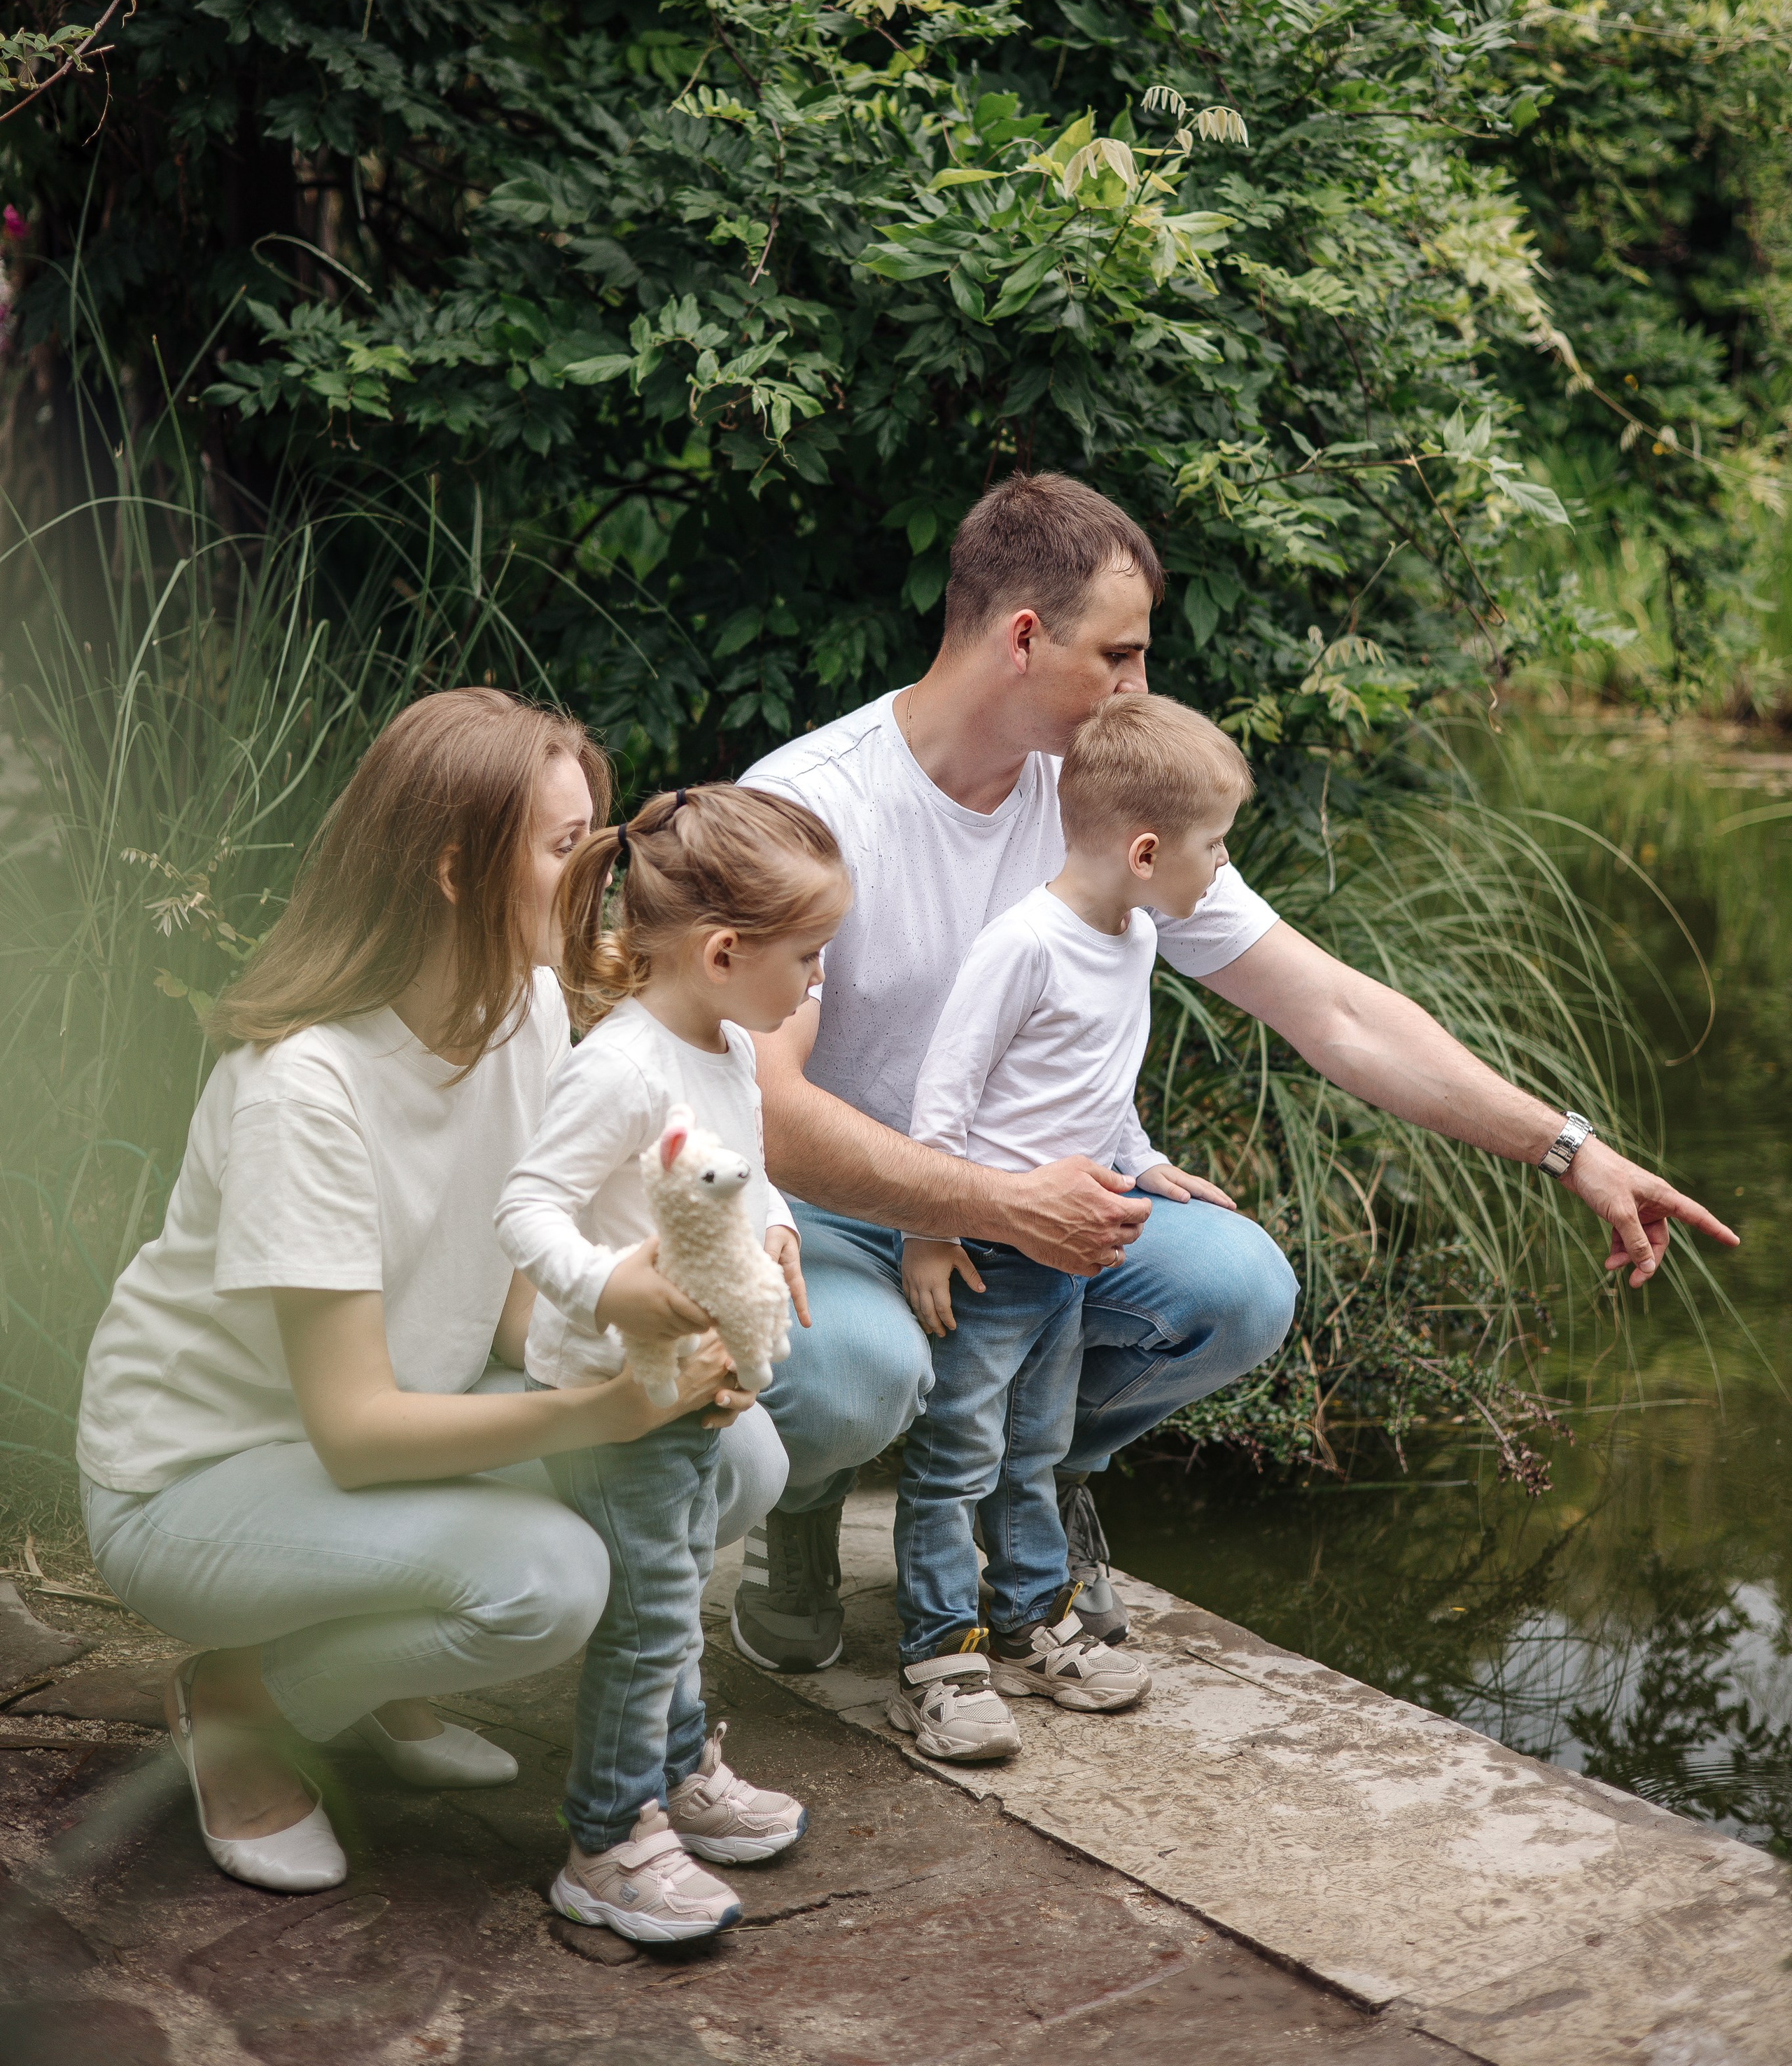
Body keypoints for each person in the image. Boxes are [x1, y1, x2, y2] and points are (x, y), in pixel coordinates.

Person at [730, 473, 1742, 1680]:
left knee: (1235, 1286)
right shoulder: (812, 805)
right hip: (838, 1212)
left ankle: (1031, 1501)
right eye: (1121, 655)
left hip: (1034, 1199)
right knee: (859, 1379)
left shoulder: (1101, 796)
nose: (1139, 688)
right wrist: (987, 1207)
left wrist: (1570, 1149)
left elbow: (1337, 1011)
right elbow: (768, 1111)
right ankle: (803, 1507)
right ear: (1021, 637)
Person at [76, 690, 778, 1896]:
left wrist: (641, 1306)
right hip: (200, 1472)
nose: (599, 880)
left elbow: (502, 1283)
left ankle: (375, 1674)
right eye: (568, 849)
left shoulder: (527, 1006)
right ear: (455, 867)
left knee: (737, 1457)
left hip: (389, 1418)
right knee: (546, 1581)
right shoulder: (308, 1091)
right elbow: (353, 1432)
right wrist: (596, 1415)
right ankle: (242, 1700)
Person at [496, 783, 849, 1944]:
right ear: (723, 949)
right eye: (808, 955)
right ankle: (606, 1839)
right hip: (622, 1392)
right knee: (646, 1613)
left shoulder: (730, 1047)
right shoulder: (623, 1066)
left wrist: (782, 1229)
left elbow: (746, 1171)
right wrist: (611, 1287)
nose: (818, 980)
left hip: (700, 1385)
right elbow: (529, 1206)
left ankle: (679, 1771)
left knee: (681, 1578)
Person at [890, 695, 1249, 1763]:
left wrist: (1142, 1160)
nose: (1221, 871)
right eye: (1214, 849)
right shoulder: (1025, 945)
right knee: (957, 1453)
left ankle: (1030, 1621)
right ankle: (936, 1657)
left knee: (1036, 1448)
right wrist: (930, 1227)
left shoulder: (1134, 935)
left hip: (1071, 1249)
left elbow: (1097, 1085)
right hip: (992, 1247)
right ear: (1145, 851)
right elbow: (944, 1094)